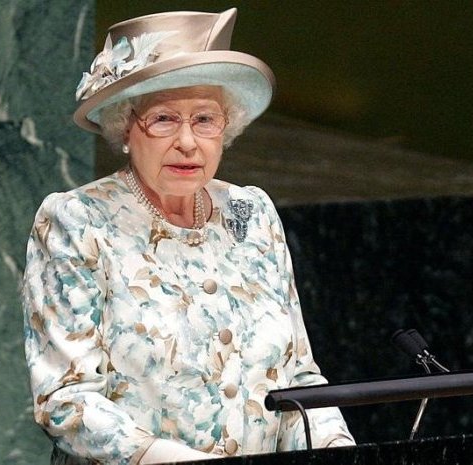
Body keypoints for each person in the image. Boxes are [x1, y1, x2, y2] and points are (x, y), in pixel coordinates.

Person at [22, 8, 355, 465]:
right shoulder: (77, 221)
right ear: (124, 128)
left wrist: (338, 451)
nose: (187, 142)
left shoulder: (251, 211)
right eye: (163, 119)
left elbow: (298, 377)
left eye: (204, 120)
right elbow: (67, 401)